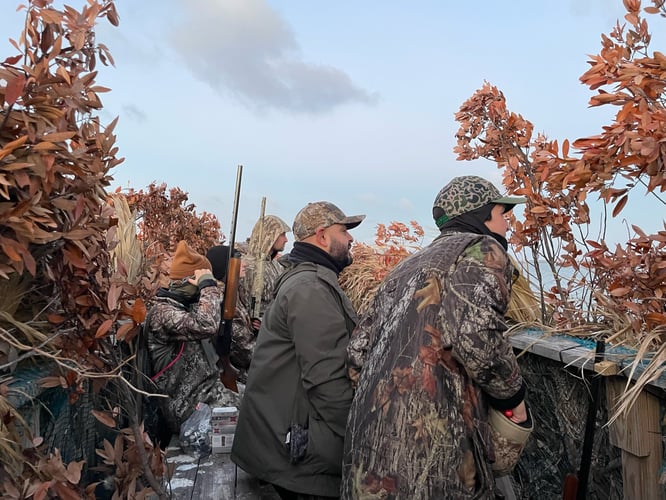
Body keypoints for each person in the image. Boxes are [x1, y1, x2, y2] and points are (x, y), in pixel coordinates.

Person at [341, 176, 530, 500]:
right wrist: (513, 397)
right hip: (432, 465)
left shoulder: (405, 267)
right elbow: (475, 337)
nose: (506, 225)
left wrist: (396, 403)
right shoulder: (483, 250)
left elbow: (357, 354)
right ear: (482, 215)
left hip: (367, 455)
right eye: (503, 214)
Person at [231, 201, 365, 500]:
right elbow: (327, 380)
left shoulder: (307, 280)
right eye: (344, 231)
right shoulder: (311, 289)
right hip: (297, 460)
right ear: (322, 236)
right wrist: (363, 436)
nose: (351, 239)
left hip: (285, 445)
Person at [145, 240, 240, 435]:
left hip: (207, 396)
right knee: (256, 417)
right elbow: (206, 325)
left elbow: (211, 314)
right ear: (191, 281)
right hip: (190, 411)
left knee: (260, 403)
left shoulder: (183, 307)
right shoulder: (163, 313)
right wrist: (207, 286)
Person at [206, 244, 258, 385]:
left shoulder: (230, 293)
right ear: (225, 266)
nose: (244, 264)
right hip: (242, 374)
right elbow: (246, 353)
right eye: (237, 260)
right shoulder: (222, 299)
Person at [240, 214, 291, 330]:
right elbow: (243, 306)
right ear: (270, 235)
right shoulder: (248, 266)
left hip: (273, 330)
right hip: (250, 337)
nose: (286, 239)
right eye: (282, 234)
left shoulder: (277, 266)